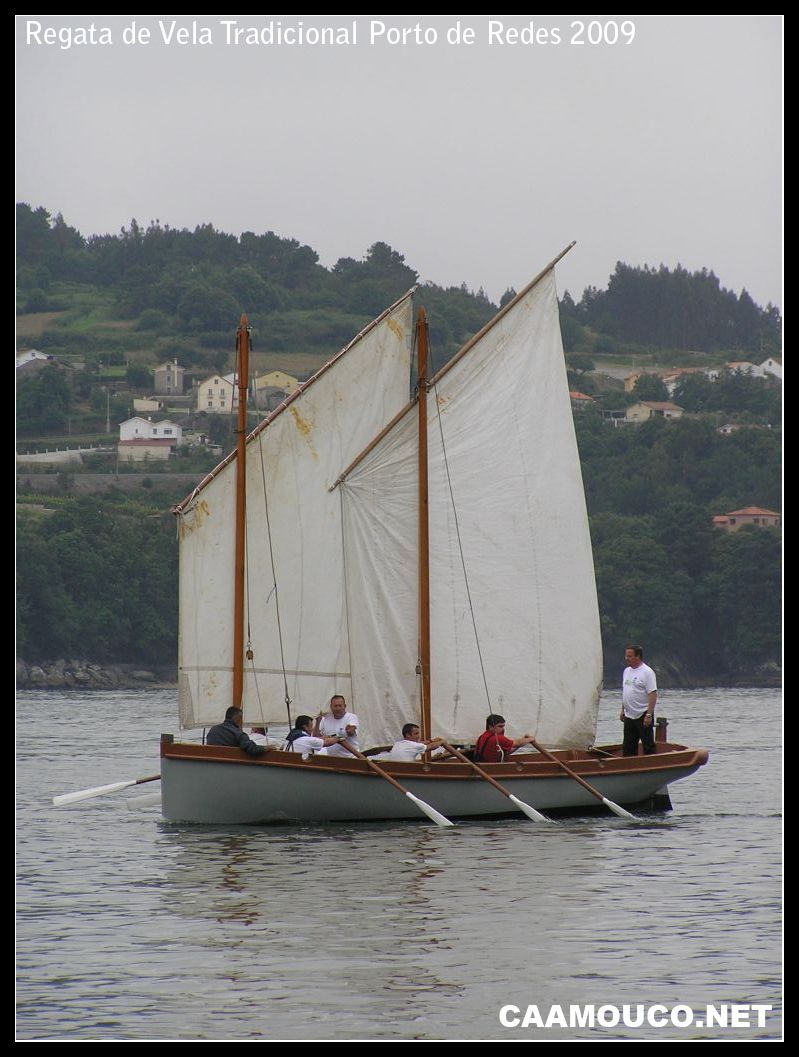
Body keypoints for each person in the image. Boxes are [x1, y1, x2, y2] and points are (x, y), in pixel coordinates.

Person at [620, 644, 658, 756]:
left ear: (638, 656)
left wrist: (649, 714)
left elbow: (652, 693)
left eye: (630, 656)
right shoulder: (626, 671)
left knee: (648, 744)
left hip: (643, 713)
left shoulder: (647, 672)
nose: (627, 658)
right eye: (626, 656)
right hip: (629, 714)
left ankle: (652, 766)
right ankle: (628, 768)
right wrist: (622, 710)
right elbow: (626, 691)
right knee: (628, 746)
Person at [380, 723, 446, 761]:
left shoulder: (398, 743)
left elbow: (418, 744)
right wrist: (442, 742)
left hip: (394, 772)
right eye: (416, 734)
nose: (419, 736)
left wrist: (431, 740)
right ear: (408, 735)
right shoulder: (414, 746)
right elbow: (431, 747)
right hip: (405, 773)